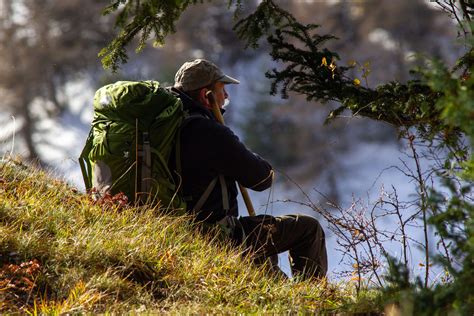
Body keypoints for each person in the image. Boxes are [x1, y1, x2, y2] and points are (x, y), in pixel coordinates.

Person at [170, 59, 328, 280]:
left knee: (268, 263)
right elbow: (262, 179)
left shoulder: (169, 126)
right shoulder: (209, 132)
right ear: (206, 95)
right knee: (308, 229)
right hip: (219, 237)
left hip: (178, 233)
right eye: (222, 90)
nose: (225, 97)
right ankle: (316, 300)